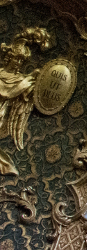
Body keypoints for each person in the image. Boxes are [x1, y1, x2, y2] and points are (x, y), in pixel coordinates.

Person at [0, 28, 48, 175]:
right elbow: (6, 92)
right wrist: (23, 85)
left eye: (22, 60)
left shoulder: (22, 79)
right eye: (16, 58)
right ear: (9, 57)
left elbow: (26, 96)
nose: (18, 63)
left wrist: (37, 79)